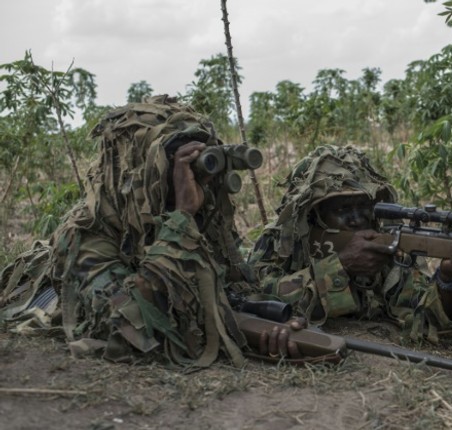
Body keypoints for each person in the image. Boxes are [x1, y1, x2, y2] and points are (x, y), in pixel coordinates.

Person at [0, 95, 300, 366]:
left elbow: (231, 286)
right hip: (46, 286)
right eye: (174, 163)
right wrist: (182, 217)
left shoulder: (201, 214)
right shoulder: (86, 235)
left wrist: (269, 319)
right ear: (136, 170)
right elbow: (127, 328)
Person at [248, 145, 452, 346]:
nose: (357, 219)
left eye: (364, 207)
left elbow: (423, 318)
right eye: (342, 209)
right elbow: (254, 296)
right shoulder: (283, 241)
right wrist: (340, 267)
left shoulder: (385, 242)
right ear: (313, 215)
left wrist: (448, 280)